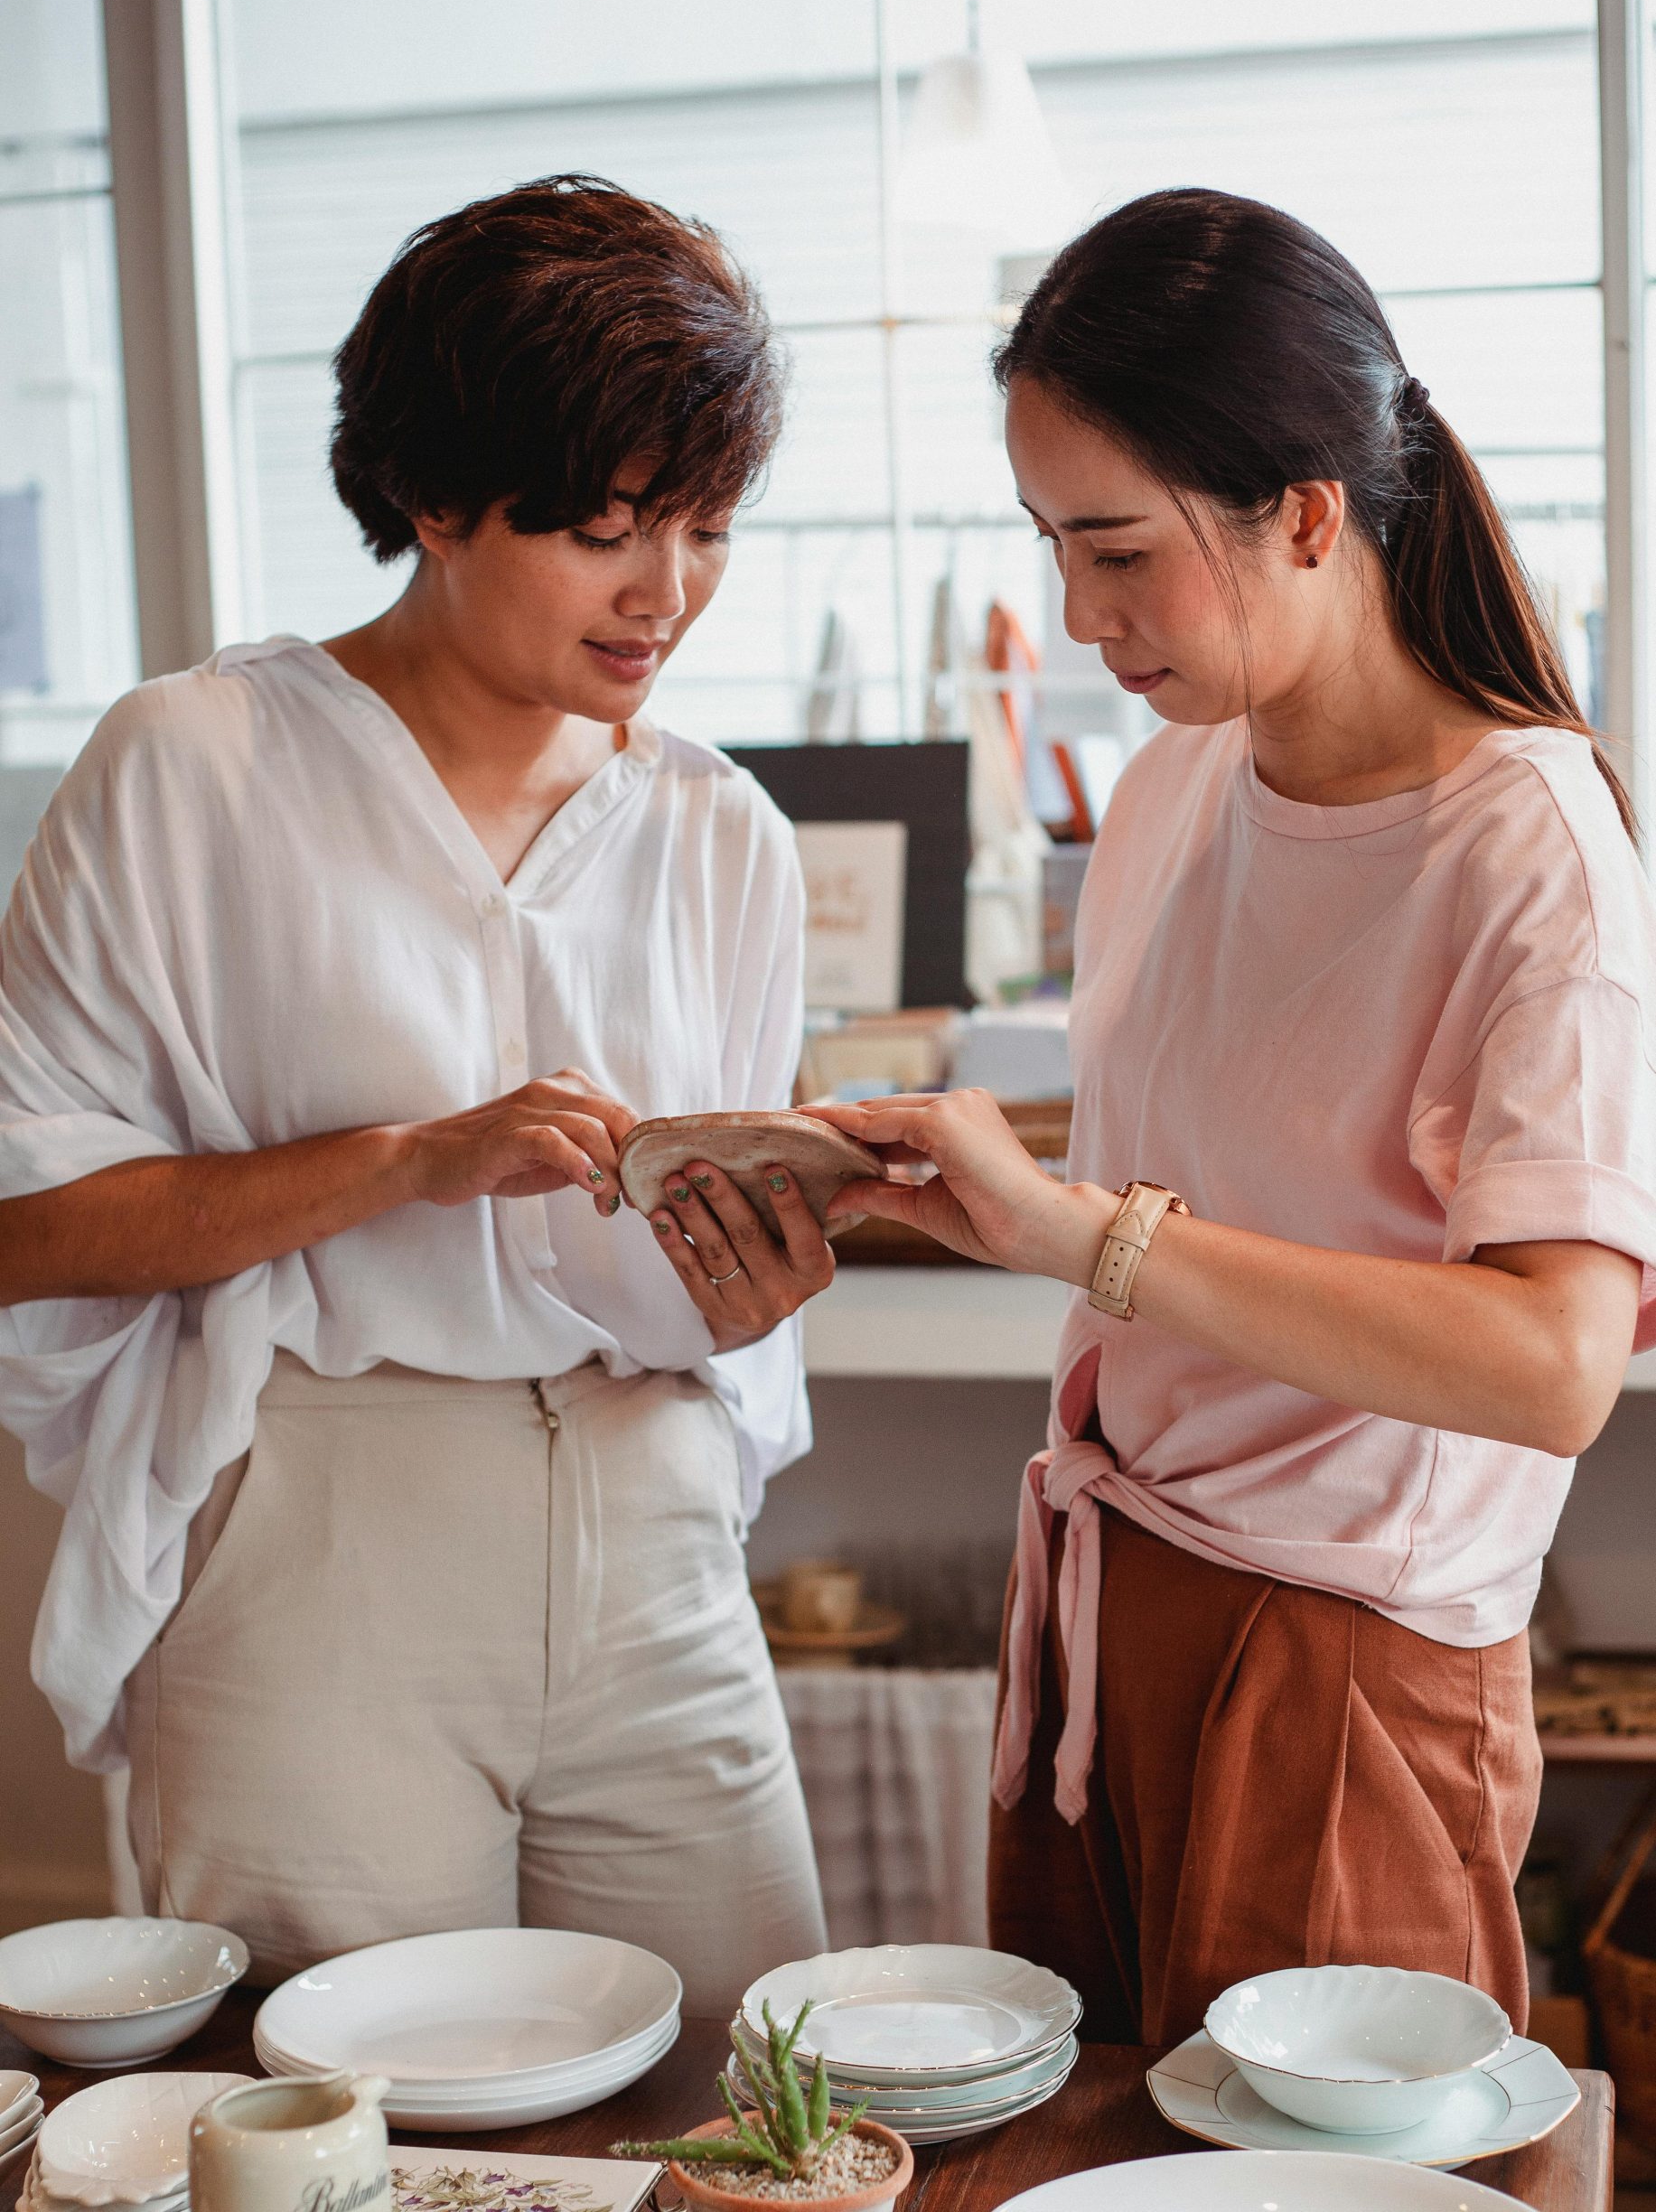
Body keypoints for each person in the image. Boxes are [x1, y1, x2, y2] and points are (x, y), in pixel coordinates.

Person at [823, 188, 1656, 2047]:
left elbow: (1548, 1359)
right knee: (1076, 2156)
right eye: (1048, 545)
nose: (1073, 615)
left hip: (1343, 1667)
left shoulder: (1522, 845)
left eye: (1115, 548)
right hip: (1123, 1606)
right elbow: (1199, 1180)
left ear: (1301, 509)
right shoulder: (1172, 788)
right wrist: (936, 1182)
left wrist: (1080, 1232)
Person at [0, 175, 834, 2011]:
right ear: (435, 499)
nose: (665, 593)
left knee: (753, 2095)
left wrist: (752, 1275)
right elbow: (26, 1231)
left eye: (703, 527)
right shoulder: (193, 769)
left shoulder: (722, 834)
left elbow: (713, 1263)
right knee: (342, 2121)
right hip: (320, 1523)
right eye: (609, 527)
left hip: (655, 1519)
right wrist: (402, 1159)